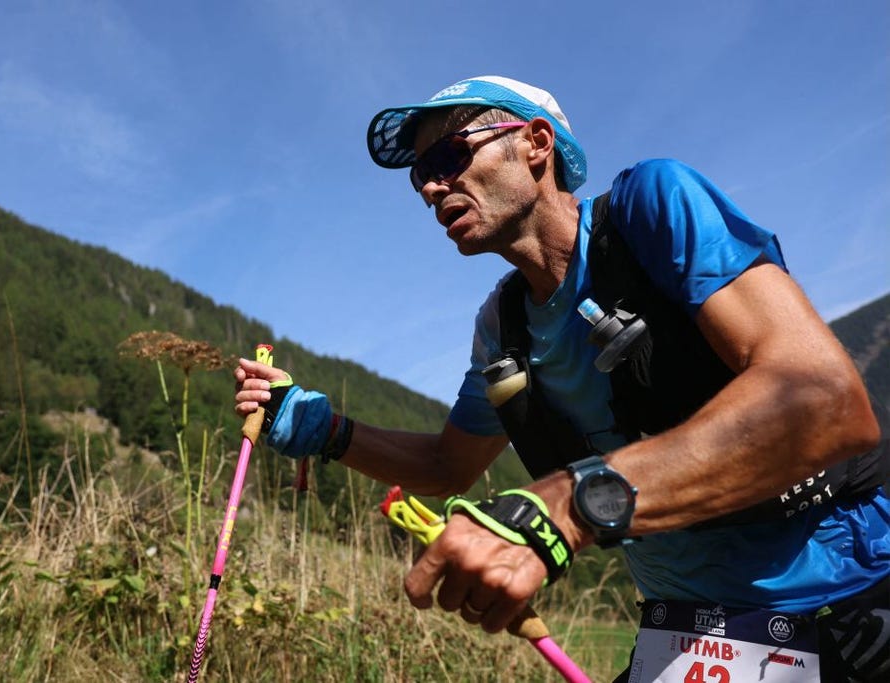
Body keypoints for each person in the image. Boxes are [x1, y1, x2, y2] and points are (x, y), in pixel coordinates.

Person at [235, 76, 889, 682]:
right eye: (419, 178)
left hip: (848, 601)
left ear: (536, 142)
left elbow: (826, 400)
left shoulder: (650, 210)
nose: (431, 188)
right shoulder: (503, 328)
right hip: (689, 635)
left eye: (446, 160)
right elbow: (446, 463)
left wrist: (569, 503)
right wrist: (322, 427)